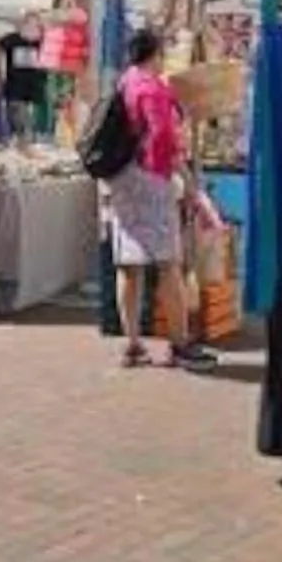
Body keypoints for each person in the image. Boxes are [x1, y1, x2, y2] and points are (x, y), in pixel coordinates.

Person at [108, 29, 215, 371]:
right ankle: (180, 343)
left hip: (121, 181)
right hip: (149, 182)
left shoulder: (124, 83)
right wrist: (186, 183)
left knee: (128, 264)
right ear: (155, 53)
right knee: (168, 265)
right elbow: (164, 142)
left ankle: (132, 344)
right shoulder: (153, 88)